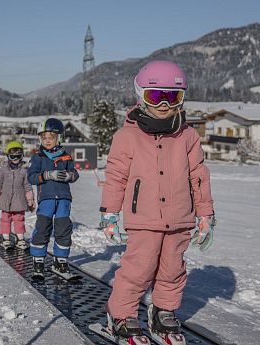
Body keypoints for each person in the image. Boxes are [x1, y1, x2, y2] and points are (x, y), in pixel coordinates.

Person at [98, 60, 215, 342]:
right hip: (144, 218)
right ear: (141, 96)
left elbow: (199, 176)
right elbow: (115, 177)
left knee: (173, 270)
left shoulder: (187, 136)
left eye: (172, 96)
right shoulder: (127, 136)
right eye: (156, 96)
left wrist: (205, 214)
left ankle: (164, 311)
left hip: (179, 219)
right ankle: (121, 315)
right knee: (139, 269)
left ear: (182, 98)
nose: (164, 104)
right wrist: (110, 213)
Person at [27, 118, 79, 279]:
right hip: (47, 199)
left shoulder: (66, 157)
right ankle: (38, 261)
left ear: (59, 138)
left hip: (63, 199)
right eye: (44, 138)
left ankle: (60, 262)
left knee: (64, 230)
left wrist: (69, 176)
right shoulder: (38, 157)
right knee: (43, 229)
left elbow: (75, 174)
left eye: (51, 137)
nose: (47, 141)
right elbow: (32, 177)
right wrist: (47, 175)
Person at [0, 141, 35, 250]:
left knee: (19, 219)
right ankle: (6, 239)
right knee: (5, 219)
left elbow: (27, 186)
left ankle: (20, 238)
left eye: (18, 156)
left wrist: (30, 199)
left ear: (22, 156)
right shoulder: (3, 170)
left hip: (19, 200)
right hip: (5, 199)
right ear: (8, 156)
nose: (15, 159)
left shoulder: (24, 170)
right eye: (12, 156)